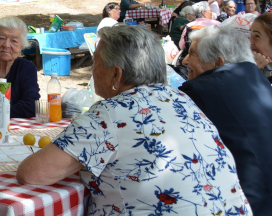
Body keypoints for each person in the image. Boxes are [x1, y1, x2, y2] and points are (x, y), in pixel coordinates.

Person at [16, 25, 251, 213]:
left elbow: (32, 173)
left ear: (116, 74)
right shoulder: (182, 100)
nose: (92, 71)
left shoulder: (109, 113)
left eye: (96, 63)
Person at [180, 26, 272, 214]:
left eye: (192, 54)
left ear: (218, 62)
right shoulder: (256, 75)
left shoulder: (201, 90)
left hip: (248, 201)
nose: (185, 60)